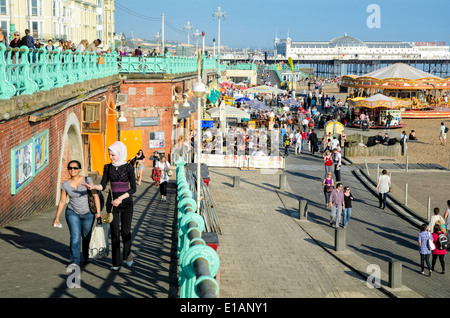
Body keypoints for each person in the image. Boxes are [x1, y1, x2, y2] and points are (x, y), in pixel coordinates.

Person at [84, 141, 136, 271]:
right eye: (110, 155)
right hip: (112, 204)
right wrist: (94, 187)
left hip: (126, 202)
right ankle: (116, 263)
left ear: (120, 153)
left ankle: (127, 256)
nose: (111, 157)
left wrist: (120, 198)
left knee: (125, 232)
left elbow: (133, 189)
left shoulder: (129, 167)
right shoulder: (107, 167)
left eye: (113, 155)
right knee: (114, 232)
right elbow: (103, 184)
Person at [53, 160, 101, 269]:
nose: (72, 170)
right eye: (70, 168)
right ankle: (74, 261)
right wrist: (56, 217)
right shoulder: (65, 185)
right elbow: (62, 201)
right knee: (75, 237)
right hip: (72, 212)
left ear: (79, 169)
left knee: (86, 236)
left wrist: (98, 212)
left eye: (75, 168)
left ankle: (86, 255)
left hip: (88, 213)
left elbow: (95, 196)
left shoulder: (87, 180)